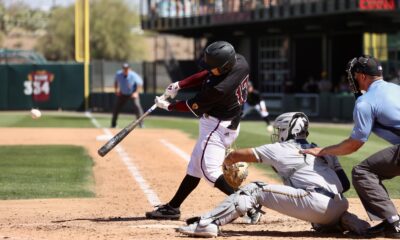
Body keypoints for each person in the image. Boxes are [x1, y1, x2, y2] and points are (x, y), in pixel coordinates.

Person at [177, 112, 370, 237]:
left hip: (315, 204)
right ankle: (343, 220)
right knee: (321, 213)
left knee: (255, 189)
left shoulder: (281, 148)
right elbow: (344, 185)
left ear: (289, 130)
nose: (278, 134)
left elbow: (239, 155)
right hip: (339, 204)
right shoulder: (321, 149)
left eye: (280, 130)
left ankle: (208, 223)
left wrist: (228, 161)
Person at [145, 41, 261, 223]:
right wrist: (179, 84)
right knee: (195, 168)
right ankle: (173, 207)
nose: (209, 69)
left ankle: (249, 205)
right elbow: (207, 74)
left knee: (210, 173)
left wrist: (168, 106)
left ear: (224, 67)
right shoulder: (240, 62)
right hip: (228, 122)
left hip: (217, 127)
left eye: (213, 67)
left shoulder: (218, 89)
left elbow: (192, 106)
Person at [303, 55, 400, 238]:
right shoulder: (396, 88)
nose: (352, 80)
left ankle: (393, 222)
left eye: (354, 76)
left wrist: (323, 151)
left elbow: (354, 145)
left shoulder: (365, 102)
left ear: (362, 76)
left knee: (362, 172)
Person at [111, 63, 144, 128]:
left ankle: (141, 124)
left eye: (127, 69)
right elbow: (116, 82)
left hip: (132, 94)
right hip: (122, 94)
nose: (125, 70)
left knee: (137, 107)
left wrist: (136, 93)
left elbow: (139, 84)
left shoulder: (133, 75)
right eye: (124, 69)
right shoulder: (119, 74)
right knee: (116, 108)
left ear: (129, 69)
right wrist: (116, 91)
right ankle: (113, 124)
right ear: (122, 69)